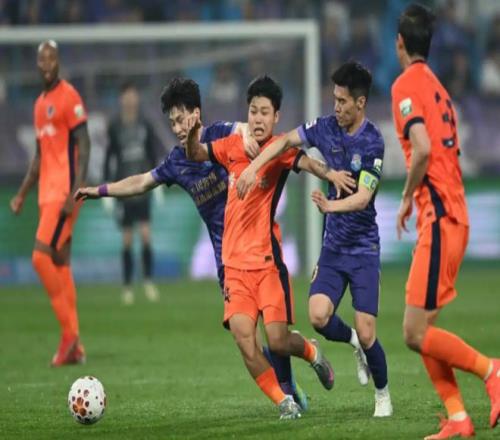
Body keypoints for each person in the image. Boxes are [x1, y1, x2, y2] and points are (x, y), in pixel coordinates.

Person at [75, 77, 321, 414]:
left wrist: (249, 136)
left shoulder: (222, 135)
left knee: (275, 332)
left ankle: (291, 383)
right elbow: (141, 181)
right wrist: (100, 190)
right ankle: (287, 395)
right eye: (172, 122)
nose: (177, 127)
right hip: (228, 259)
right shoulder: (178, 162)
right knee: (248, 339)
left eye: (181, 119)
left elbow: (244, 128)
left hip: (261, 244)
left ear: (196, 113)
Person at [184, 75, 354, 420]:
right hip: (234, 268)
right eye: (253, 111)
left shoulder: (280, 149)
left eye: (265, 112)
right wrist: (191, 133)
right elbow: (197, 153)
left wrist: (332, 175)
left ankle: (311, 352)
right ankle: (283, 402)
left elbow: (308, 163)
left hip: (266, 265)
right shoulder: (232, 146)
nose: (258, 118)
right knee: (244, 339)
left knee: (277, 341)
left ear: (276, 116)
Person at [236, 62, 393, 418]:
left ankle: (383, 394)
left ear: (361, 103)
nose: (336, 107)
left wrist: (330, 206)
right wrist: (253, 167)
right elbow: (284, 142)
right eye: (334, 99)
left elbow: (363, 198)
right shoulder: (325, 127)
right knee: (318, 316)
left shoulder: (372, 140)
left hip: (364, 248)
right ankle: (352, 341)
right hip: (334, 248)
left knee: (369, 331)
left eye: (342, 101)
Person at [391, 4, 500, 439]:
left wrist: (406, 196)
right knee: (424, 329)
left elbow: (421, 147)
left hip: (439, 218)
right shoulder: (438, 88)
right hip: (453, 216)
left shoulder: (405, 85)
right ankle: (457, 418)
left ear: (399, 43)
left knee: (413, 331)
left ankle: (492, 370)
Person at [9, 40, 90, 366]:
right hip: (46, 194)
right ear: (37, 64)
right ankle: (76, 345)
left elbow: (85, 144)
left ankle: (69, 336)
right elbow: (40, 156)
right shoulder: (39, 104)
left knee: (39, 258)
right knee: (59, 263)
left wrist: (76, 190)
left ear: (58, 61)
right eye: (42, 59)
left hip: (63, 194)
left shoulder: (69, 96)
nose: (46, 64)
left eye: (51, 58)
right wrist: (22, 193)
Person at [104, 81, 160, 305]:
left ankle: (148, 281)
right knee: (127, 239)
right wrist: (108, 187)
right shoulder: (114, 126)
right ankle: (127, 285)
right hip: (124, 189)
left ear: (137, 98)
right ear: (121, 99)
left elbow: (152, 154)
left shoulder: (145, 124)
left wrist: (158, 182)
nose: (130, 99)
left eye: (133, 95)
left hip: (143, 188)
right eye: (126, 96)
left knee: (146, 235)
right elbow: (109, 156)